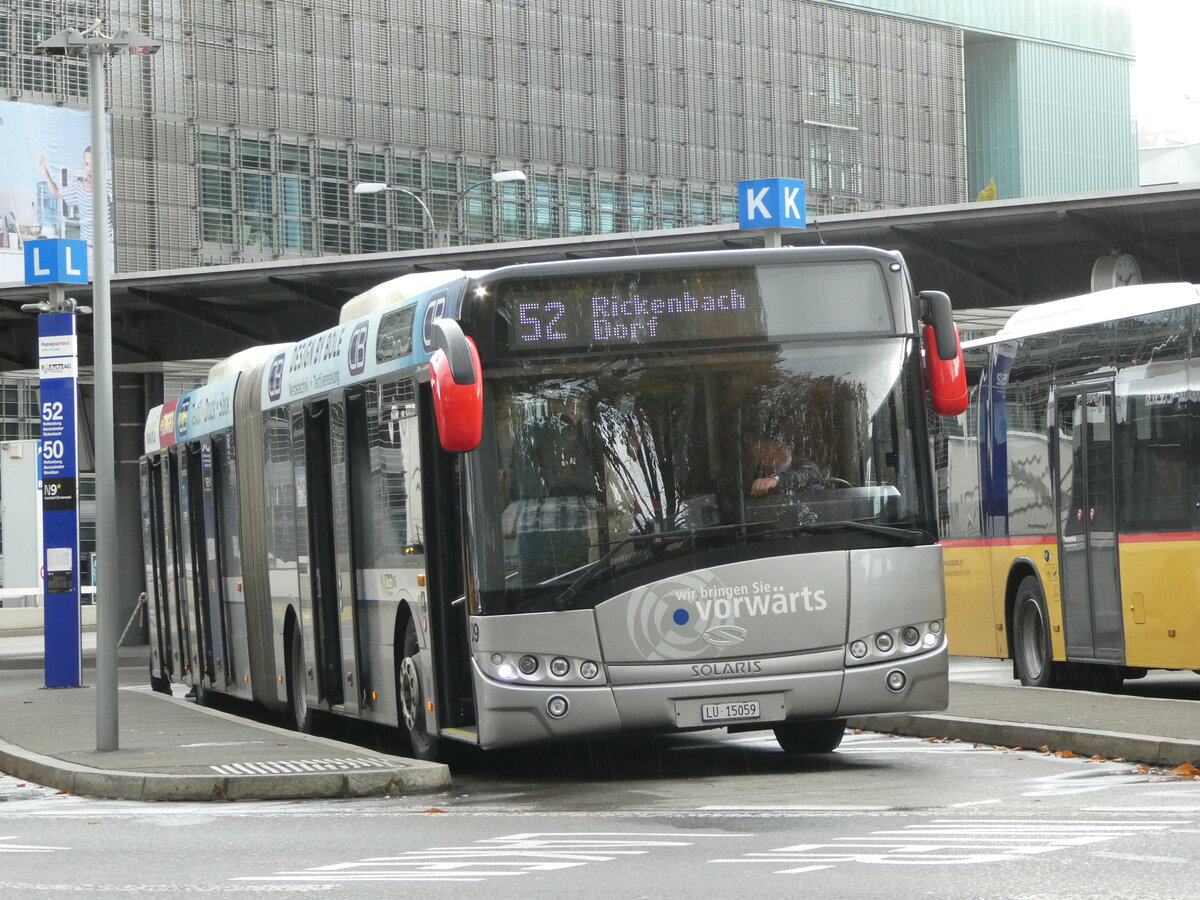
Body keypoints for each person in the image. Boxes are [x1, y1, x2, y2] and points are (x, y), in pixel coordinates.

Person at [36, 146, 111, 246]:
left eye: (93, 165)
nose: (90, 168)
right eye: (87, 164)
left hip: (107, 245)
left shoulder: (107, 186)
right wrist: (43, 168)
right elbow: (56, 192)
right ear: (83, 165)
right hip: (87, 245)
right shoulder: (78, 187)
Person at [748, 437, 825, 497]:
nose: (762, 459)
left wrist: (776, 480)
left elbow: (809, 476)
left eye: (763, 451)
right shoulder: (763, 474)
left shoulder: (803, 463)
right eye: (757, 458)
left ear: (779, 448)